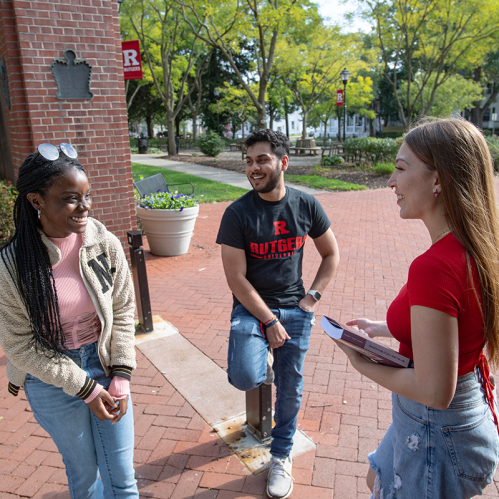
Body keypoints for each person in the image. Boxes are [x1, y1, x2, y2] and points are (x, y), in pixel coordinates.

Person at [336, 118, 499, 499]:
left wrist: (364, 365)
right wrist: (383, 328)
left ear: (438, 180)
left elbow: (433, 389)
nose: (391, 181)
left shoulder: (434, 266)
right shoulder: (472, 247)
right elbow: (455, 325)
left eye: (401, 168)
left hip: (434, 429)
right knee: (375, 480)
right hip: (450, 422)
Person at [0, 144, 139, 498]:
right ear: (37, 201)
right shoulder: (12, 265)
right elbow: (19, 346)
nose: (85, 207)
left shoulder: (100, 240)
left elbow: (122, 307)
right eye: (71, 198)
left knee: (122, 477)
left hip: (104, 362)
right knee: (84, 475)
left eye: (87, 196)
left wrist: (121, 373)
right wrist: (85, 388)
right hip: (50, 380)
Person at [216, 129, 340, 499]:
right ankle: (259, 356)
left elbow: (331, 254)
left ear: (283, 163)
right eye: (249, 161)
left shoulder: (306, 205)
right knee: (244, 376)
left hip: (296, 309)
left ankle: (281, 458)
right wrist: (268, 321)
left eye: (262, 160)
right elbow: (235, 278)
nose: (253, 168)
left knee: (290, 387)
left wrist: (312, 298)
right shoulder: (237, 213)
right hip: (253, 309)